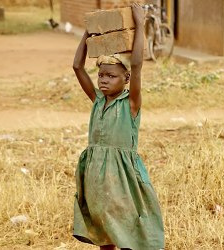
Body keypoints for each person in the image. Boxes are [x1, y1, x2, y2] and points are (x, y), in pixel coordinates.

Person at [72, 3, 164, 250]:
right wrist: (89, 35)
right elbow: (77, 67)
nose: (103, 80)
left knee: (125, 226)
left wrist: (140, 24)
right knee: (103, 227)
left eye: (111, 76)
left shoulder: (131, 103)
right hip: (96, 174)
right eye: (101, 75)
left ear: (126, 80)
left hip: (122, 176)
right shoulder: (97, 100)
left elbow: (136, 65)